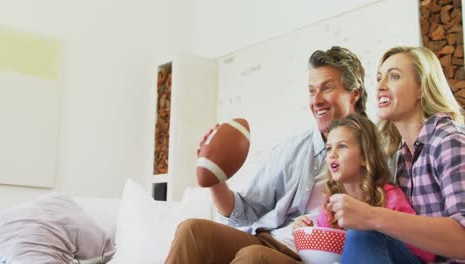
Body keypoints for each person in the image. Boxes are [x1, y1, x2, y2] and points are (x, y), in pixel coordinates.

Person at [165, 46, 367, 264]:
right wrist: (215, 178)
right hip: (269, 241)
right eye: (311, 90)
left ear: (354, 93)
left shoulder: (375, 152)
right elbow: (245, 211)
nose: (316, 100)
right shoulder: (292, 149)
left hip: (311, 257)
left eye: (327, 88)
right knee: (192, 232)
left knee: (253, 258)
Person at [326, 46, 465, 263]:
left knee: (365, 232)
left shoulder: (448, 140)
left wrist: (371, 217)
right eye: (380, 78)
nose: (380, 86)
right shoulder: (402, 156)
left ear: (422, 88)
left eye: (394, 76)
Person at [292, 114, 435, 263]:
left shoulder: (389, 196)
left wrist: (376, 226)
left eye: (342, 146)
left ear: (364, 157)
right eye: (328, 149)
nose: (332, 155)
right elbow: (326, 255)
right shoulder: (331, 203)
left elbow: (425, 252)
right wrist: (305, 231)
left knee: (361, 231)